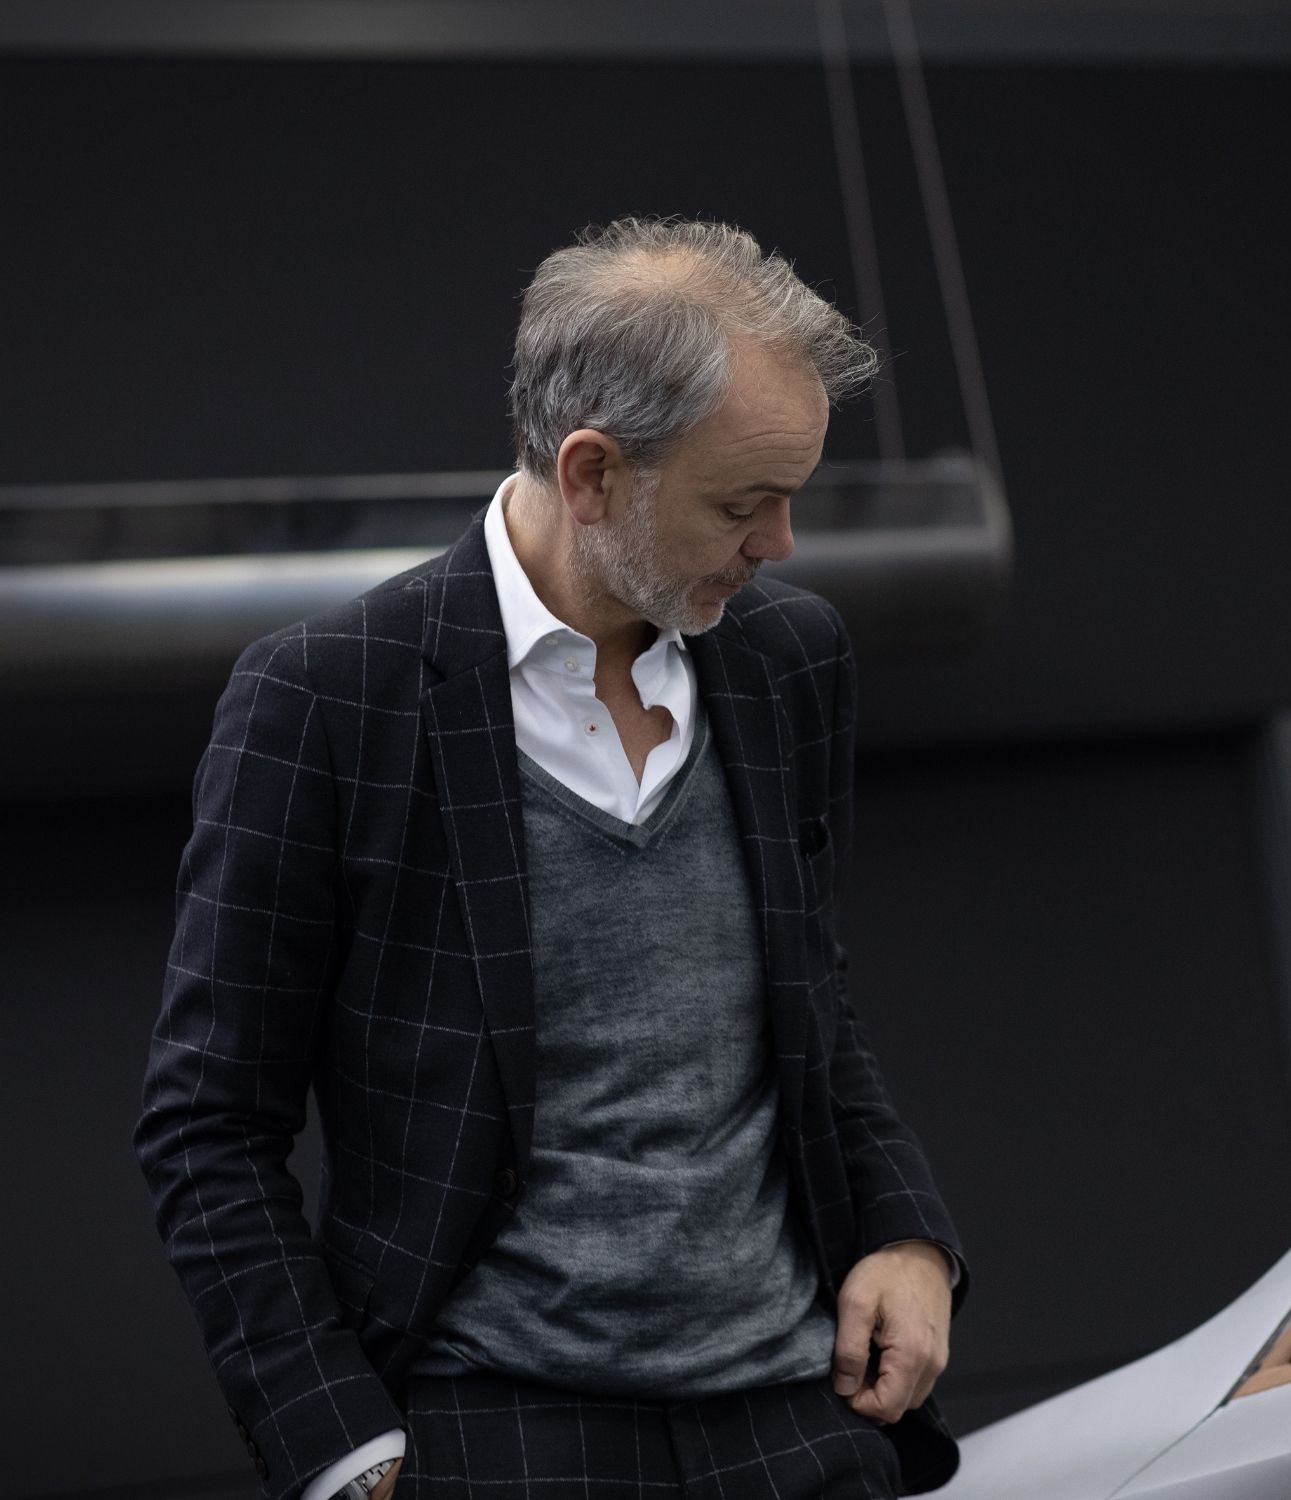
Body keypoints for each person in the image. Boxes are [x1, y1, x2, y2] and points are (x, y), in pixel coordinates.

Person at [133, 217, 969, 1500]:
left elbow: (815, 1004)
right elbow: (210, 1124)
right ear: (592, 474)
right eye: (743, 503)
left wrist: (905, 1233)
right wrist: (343, 1450)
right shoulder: (326, 703)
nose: (782, 543)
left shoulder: (793, 661)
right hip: (493, 1436)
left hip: (799, 1418)